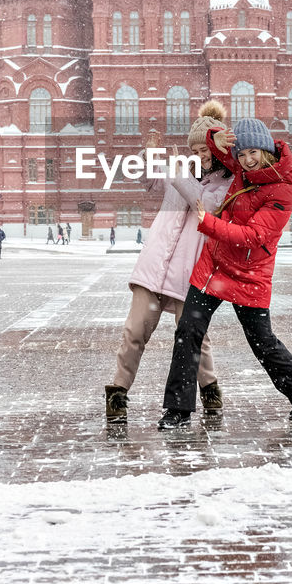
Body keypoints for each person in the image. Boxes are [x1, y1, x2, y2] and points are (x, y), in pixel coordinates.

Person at [159, 117, 292, 430]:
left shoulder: (281, 190)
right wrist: (213, 136)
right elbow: (214, 146)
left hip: (249, 275)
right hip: (213, 268)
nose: (245, 160)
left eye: (253, 153)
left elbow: (253, 236)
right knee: (187, 332)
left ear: (267, 150)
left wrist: (209, 222)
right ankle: (178, 411)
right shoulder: (241, 170)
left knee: (262, 342)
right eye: (242, 155)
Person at [107, 104, 232, 425]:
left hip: (189, 273)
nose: (199, 155)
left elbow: (209, 207)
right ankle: (118, 393)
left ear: (218, 149)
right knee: (134, 331)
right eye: (194, 149)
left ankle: (210, 389)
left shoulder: (226, 182)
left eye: (205, 149)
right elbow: (150, 182)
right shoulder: (181, 169)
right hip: (153, 266)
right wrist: (148, 157)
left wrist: (178, 174)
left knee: (192, 337)